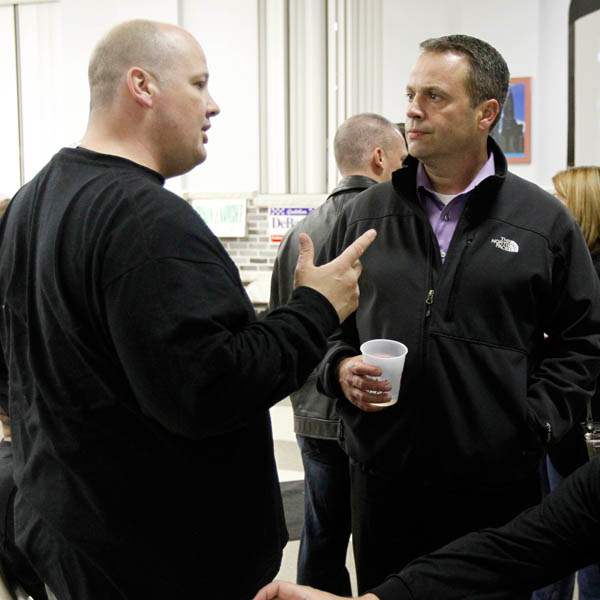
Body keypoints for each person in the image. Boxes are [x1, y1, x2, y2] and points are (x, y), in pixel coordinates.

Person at [0, 20, 377, 599]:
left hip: (73, 535)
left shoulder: (31, 202)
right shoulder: (144, 219)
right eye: (199, 84)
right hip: (159, 560)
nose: (214, 105)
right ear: (142, 86)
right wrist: (316, 307)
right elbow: (211, 389)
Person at [315, 34, 600, 594]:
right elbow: (323, 325)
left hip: (497, 491)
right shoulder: (364, 215)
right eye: (410, 94)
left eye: (435, 96)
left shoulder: (543, 222)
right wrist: (339, 369)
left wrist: (534, 422)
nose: (412, 111)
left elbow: (583, 340)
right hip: (385, 483)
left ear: (486, 113)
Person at [270, 114, 407, 594]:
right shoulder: (387, 229)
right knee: (379, 539)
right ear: (380, 158)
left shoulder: (299, 233)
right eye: (403, 160)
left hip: (311, 413)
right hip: (367, 410)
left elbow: (280, 324)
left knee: (321, 535)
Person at [533, 165, 600, 600]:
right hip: (562, 426)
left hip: (580, 432)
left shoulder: (589, 278)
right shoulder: (569, 270)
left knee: (576, 539)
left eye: (560, 200)